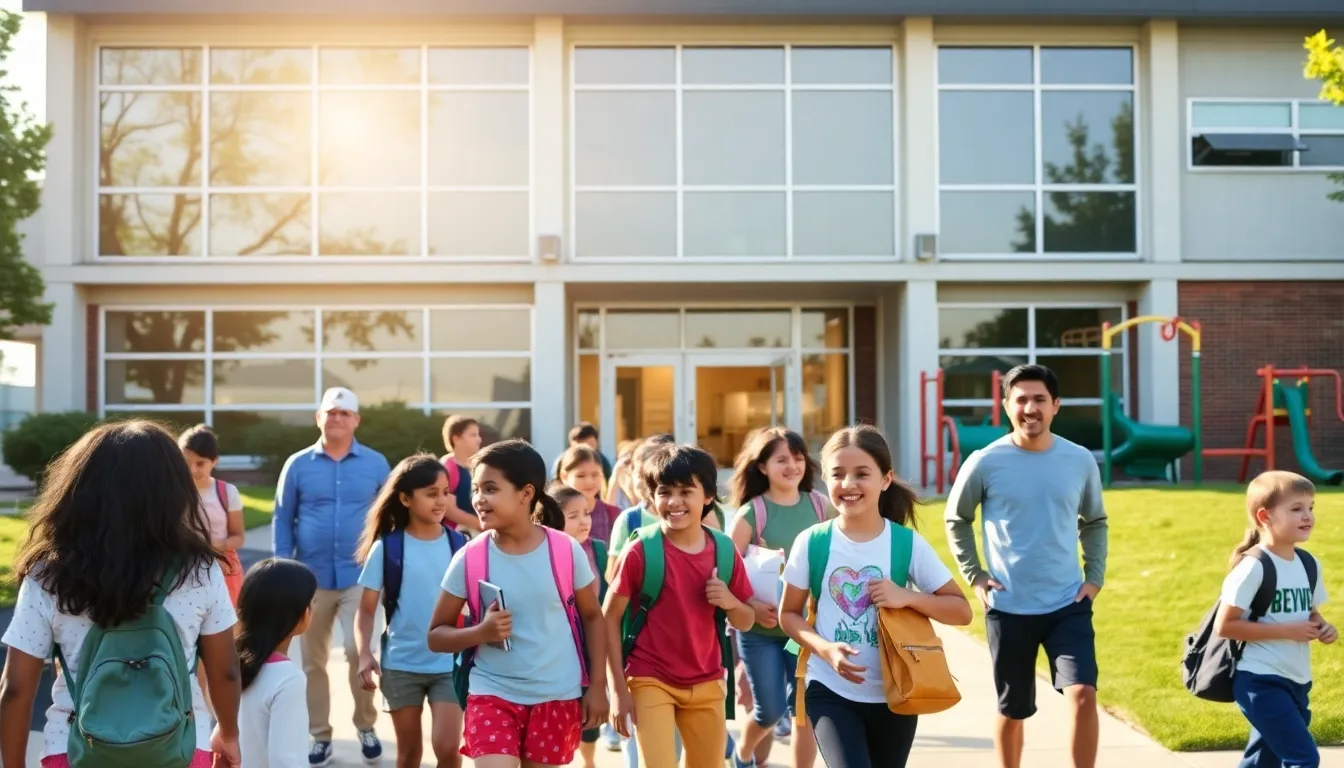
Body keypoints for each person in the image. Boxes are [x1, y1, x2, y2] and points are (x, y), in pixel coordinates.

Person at [0, 420, 241, 768]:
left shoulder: (48, 573)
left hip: (73, 749)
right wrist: (228, 734)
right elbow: (226, 670)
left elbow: (16, 689)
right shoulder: (199, 569)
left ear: (77, 488)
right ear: (173, 489)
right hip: (179, 748)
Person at [944, 364, 1108, 768]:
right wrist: (976, 576)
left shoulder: (1079, 460)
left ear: (1055, 405)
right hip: (1009, 605)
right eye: (1021, 399)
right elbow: (956, 519)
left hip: (1067, 603)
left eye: (1039, 399)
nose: (1030, 408)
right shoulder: (985, 461)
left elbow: (1095, 521)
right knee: (1012, 709)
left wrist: (1095, 577)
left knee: (1084, 693)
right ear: (1006, 406)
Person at [780, 425, 970, 768]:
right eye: (837, 474)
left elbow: (960, 611)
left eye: (862, 474)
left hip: (895, 692)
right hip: (828, 689)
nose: (848, 484)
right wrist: (825, 649)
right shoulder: (812, 542)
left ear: (886, 479)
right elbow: (789, 615)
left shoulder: (906, 544)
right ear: (825, 478)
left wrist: (906, 597)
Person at [428, 439, 609, 768]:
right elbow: (436, 635)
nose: (479, 499)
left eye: (491, 489)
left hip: (557, 695)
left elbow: (593, 618)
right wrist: (480, 632)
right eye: (477, 489)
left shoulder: (565, 551)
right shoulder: (470, 557)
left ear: (526, 494)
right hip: (491, 691)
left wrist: (598, 686)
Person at [604, 443, 757, 768]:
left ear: (708, 497)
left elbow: (746, 620)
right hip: (650, 678)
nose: (674, 502)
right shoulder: (641, 549)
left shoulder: (725, 550)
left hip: (707, 681)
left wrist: (728, 601)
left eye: (686, 491)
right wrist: (617, 690)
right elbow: (609, 617)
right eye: (665, 492)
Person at [272, 386, 391, 766]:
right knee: (312, 661)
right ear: (318, 418)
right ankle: (320, 735)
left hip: (360, 577)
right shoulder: (298, 464)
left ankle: (365, 724)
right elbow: (282, 517)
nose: (336, 418)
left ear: (356, 420)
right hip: (310, 580)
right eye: (330, 412)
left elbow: (388, 519)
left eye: (344, 413)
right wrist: (282, 569)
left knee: (360, 653)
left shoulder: (375, 464)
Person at [1215, 470, 1334, 768]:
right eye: (1296, 509)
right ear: (1265, 517)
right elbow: (1226, 626)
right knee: (1303, 758)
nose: (1307, 516)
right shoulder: (1253, 567)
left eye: (1310, 507)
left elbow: (1308, 612)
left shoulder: (1308, 563)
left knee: (1263, 759)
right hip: (1260, 680)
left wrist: (1322, 627)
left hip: (1296, 679)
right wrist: (1286, 631)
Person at [355, 455, 468, 768]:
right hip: (401, 665)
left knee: (448, 749)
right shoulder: (387, 548)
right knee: (408, 755)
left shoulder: (460, 545)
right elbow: (365, 611)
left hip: (449, 664)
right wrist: (365, 653)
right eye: (431, 493)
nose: (441, 500)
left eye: (445, 492)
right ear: (405, 498)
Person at [727, 427, 829, 768]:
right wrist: (751, 607)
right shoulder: (750, 514)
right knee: (769, 711)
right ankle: (743, 756)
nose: (792, 466)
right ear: (762, 467)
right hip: (761, 633)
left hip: (807, 632)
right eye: (781, 459)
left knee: (804, 712)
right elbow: (724, 573)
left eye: (798, 458)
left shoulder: (820, 506)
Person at [236, 558, 318, 768]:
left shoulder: (234, 665)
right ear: (299, 613)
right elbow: (286, 759)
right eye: (312, 601)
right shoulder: (288, 679)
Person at [552, 483, 610, 768]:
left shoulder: (598, 550)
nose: (584, 520)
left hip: (591, 646)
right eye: (573, 515)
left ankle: (588, 763)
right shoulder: (547, 554)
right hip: (558, 650)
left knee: (590, 721)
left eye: (585, 513)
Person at [179, 424, 246, 605]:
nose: (193, 470)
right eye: (186, 462)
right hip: (185, 569)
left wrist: (218, 546)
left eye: (200, 463)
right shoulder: (174, 493)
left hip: (224, 567)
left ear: (214, 461)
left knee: (227, 627)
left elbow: (238, 536)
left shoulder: (227, 492)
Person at [557, 444, 622, 551]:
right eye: (581, 475)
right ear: (564, 476)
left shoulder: (613, 515)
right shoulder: (553, 515)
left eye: (595, 474)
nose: (589, 481)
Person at [441, 414, 484, 532]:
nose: (479, 439)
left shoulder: (477, 466)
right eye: (473, 435)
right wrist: (481, 525)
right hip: (456, 536)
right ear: (456, 439)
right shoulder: (448, 468)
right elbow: (449, 510)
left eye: (478, 435)